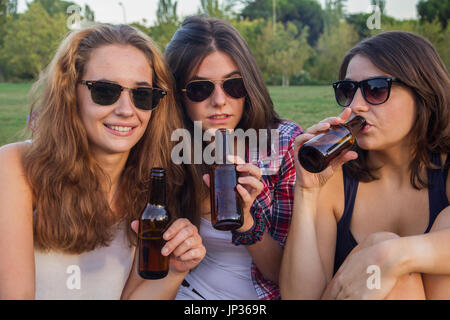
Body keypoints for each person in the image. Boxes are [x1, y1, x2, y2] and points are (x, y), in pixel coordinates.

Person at [0, 23, 205, 300]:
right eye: (105, 91)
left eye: (142, 95)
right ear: (70, 94)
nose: (125, 110)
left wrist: (175, 270)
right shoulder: (16, 167)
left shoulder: (152, 185)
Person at [280, 31, 450, 300]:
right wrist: (307, 192)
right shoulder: (336, 176)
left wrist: (392, 256)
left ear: (423, 92)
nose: (356, 105)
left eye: (376, 89)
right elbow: (300, 297)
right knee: (395, 271)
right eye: (347, 91)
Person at [164, 15, 303, 300]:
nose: (219, 101)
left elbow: (285, 274)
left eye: (234, 85)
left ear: (249, 88)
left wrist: (246, 221)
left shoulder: (284, 144)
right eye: (200, 89)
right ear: (179, 96)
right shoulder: (169, 147)